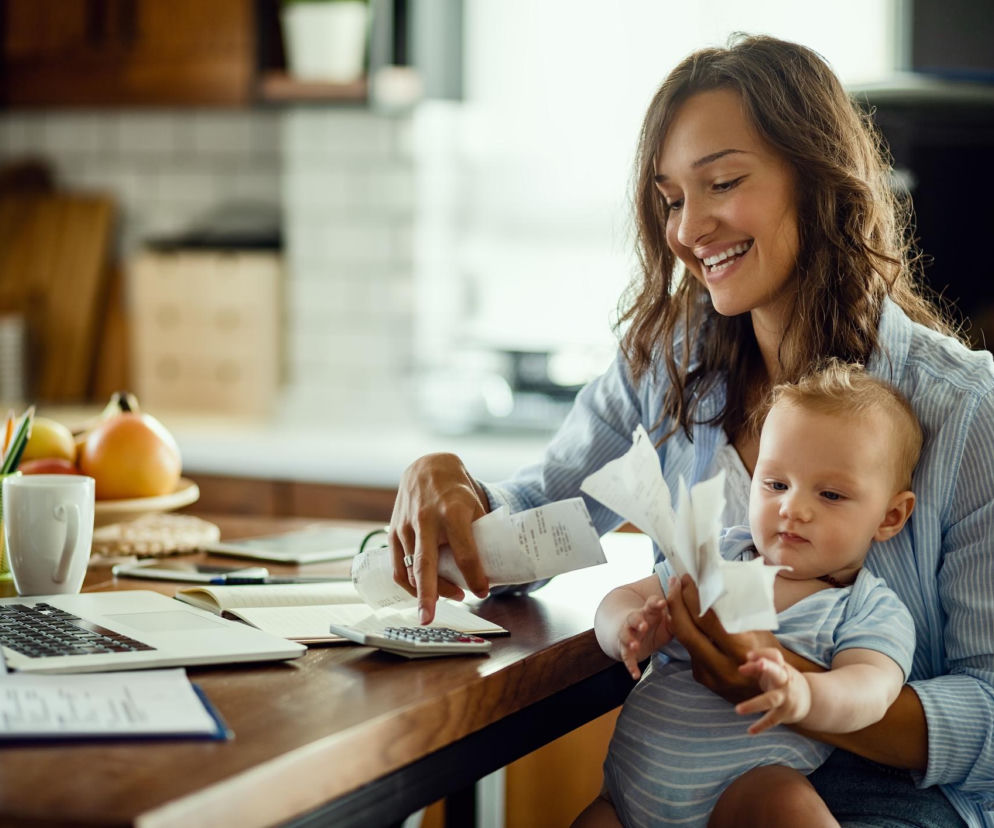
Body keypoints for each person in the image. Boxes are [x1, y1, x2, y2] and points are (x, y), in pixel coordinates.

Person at [389, 34, 994, 826]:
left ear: (817, 182)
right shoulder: (669, 364)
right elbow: (542, 520)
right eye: (672, 198)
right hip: (676, 782)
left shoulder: (964, 407)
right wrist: (455, 492)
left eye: (724, 183)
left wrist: (797, 691)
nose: (686, 229)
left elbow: (988, 708)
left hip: (884, 804)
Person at [586, 362, 920, 827]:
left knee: (786, 804)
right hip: (625, 797)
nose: (792, 507)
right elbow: (619, 597)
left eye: (830, 495)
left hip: (741, 794)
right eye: (776, 484)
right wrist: (627, 626)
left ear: (889, 517)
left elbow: (872, 690)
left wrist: (805, 694)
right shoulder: (722, 554)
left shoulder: (867, 608)